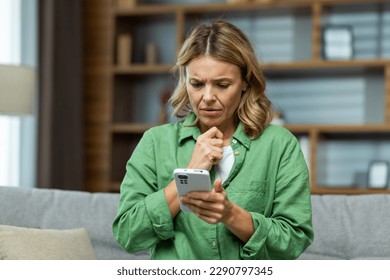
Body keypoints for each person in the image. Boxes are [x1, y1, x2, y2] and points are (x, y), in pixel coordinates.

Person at [112, 19, 313, 260]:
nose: (207, 97)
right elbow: (128, 235)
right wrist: (189, 173)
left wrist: (231, 215)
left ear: (245, 83)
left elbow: (294, 240)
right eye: (196, 84)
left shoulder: (279, 145)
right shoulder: (156, 142)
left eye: (222, 85)